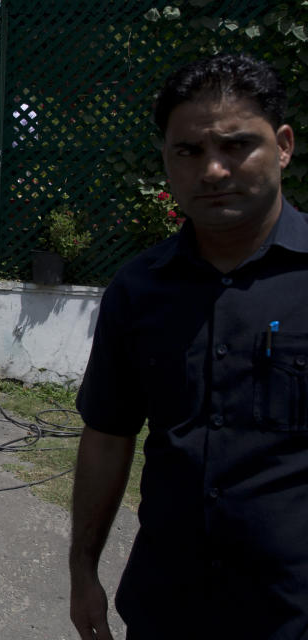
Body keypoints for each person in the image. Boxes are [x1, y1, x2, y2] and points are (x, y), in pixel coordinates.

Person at [69, 54, 302, 640]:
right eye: (189, 152)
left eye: (236, 146)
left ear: (284, 146)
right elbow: (107, 435)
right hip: (167, 607)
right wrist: (82, 569)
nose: (214, 171)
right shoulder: (139, 290)